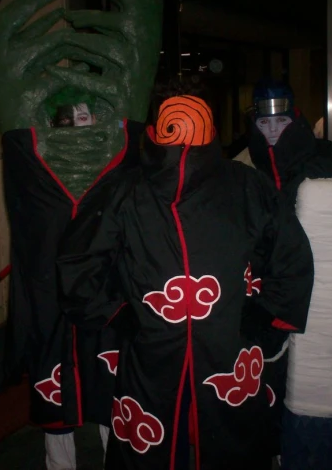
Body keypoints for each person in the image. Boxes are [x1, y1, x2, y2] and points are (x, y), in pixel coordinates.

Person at [57, 93, 315, 469]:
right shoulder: (126, 190)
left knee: (233, 436)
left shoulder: (246, 185)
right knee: (148, 440)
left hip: (230, 340)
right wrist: (114, 313)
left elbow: (289, 256)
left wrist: (267, 316)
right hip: (152, 344)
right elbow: (80, 259)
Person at [243, 80, 332, 469]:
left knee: (315, 389)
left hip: (322, 294)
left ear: (297, 120)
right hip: (262, 296)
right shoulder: (242, 166)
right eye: (264, 124)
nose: (273, 132)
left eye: (282, 122)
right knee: (264, 388)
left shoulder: (328, 159)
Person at [2, 86, 143, 470]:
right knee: (54, 382)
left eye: (88, 118)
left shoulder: (116, 171)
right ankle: (60, 464)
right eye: (72, 119)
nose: (82, 126)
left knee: (107, 381)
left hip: (104, 293)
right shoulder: (38, 170)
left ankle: (116, 457)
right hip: (50, 296)